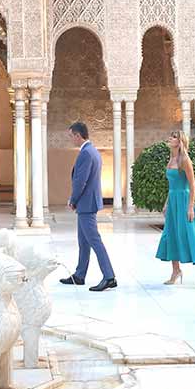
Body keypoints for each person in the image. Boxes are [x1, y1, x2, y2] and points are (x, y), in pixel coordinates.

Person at [61, 122, 117, 292]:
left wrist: (73, 199)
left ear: (78, 135)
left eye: (71, 136)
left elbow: (81, 181)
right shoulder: (92, 151)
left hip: (86, 203)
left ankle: (109, 277)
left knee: (94, 240)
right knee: (83, 241)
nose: (71, 139)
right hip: (87, 202)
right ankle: (79, 275)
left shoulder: (86, 153)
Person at [156, 130, 195, 288]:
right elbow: (171, 186)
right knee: (172, 234)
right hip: (173, 201)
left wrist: (190, 206)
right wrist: (167, 203)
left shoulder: (184, 159)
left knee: (191, 235)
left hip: (184, 201)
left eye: (174, 136)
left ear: (180, 141)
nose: (170, 138)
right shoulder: (171, 159)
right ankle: (176, 271)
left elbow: (192, 184)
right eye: (171, 135)